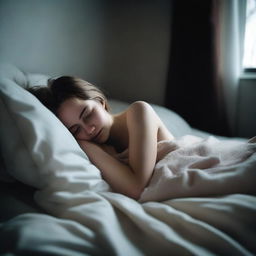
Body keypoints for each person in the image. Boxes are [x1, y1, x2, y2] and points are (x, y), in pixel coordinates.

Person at [28, 76, 174, 199]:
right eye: (75, 130)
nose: (89, 129)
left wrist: (88, 147)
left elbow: (136, 188)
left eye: (88, 114)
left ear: (100, 101)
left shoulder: (139, 111)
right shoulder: (89, 146)